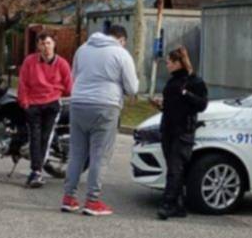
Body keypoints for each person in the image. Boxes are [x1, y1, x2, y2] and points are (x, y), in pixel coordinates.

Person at [61, 25, 139, 217]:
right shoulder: (121, 54)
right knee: (99, 155)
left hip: (78, 103)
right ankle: (92, 200)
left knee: (77, 153)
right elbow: (132, 87)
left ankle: (69, 198)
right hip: (105, 106)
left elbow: (74, 76)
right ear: (122, 39)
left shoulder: (83, 49)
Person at [152, 46, 208, 220]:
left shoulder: (194, 81)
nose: (167, 65)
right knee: (173, 168)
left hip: (183, 130)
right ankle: (178, 204)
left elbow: (202, 104)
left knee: (175, 168)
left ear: (178, 63)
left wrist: (186, 94)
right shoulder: (172, 81)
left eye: (169, 62)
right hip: (168, 128)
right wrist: (161, 105)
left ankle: (167, 204)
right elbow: (172, 105)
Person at [18, 32, 73, 188]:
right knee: (34, 138)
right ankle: (36, 171)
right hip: (33, 105)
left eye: (48, 43)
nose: (45, 47)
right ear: (38, 46)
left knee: (45, 138)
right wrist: (25, 103)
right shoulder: (29, 61)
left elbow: (69, 87)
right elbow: (23, 83)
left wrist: (56, 93)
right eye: (42, 44)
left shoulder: (62, 64)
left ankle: (37, 172)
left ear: (54, 44)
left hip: (52, 104)